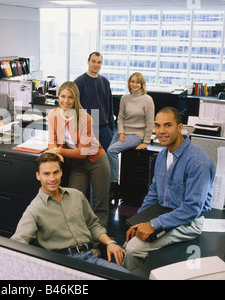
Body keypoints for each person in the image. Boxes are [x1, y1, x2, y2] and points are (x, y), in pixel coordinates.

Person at [123, 107, 215, 271]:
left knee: (133, 248)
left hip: (188, 220)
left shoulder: (198, 162)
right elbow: (153, 194)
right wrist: (138, 221)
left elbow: (192, 208)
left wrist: (154, 224)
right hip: (163, 212)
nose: (161, 131)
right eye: (157, 126)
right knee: (128, 240)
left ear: (180, 128)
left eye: (167, 125)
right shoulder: (162, 156)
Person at [11, 152, 129, 273]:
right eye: (46, 174)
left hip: (91, 257)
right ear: (38, 176)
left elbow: (93, 225)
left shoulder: (77, 195)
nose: (52, 178)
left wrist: (110, 243)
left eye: (55, 172)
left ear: (61, 172)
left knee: (127, 276)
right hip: (62, 265)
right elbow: (17, 243)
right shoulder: (34, 209)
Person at [45, 81, 110, 229]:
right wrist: (55, 152)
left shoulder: (84, 117)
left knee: (100, 203)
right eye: (63, 96)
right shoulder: (53, 114)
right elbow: (52, 141)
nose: (66, 101)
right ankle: (78, 235)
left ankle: (98, 240)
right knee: (73, 201)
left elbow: (83, 152)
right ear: (58, 96)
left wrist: (58, 151)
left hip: (96, 161)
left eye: (70, 97)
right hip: (77, 164)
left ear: (76, 99)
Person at [106, 72, 155, 203]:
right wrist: (120, 132)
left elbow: (150, 122)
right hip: (124, 131)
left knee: (111, 151)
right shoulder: (125, 98)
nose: (134, 84)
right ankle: (112, 184)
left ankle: (115, 186)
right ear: (129, 83)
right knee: (108, 153)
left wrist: (146, 141)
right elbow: (120, 117)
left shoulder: (147, 99)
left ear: (142, 84)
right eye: (132, 81)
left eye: (137, 82)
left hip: (137, 134)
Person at [74, 52, 114, 151]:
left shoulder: (105, 81)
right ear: (88, 62)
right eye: (93, 61)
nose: (96, 65)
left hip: (104, 129)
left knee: (106, 159)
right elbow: (74, 107)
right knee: (88, 159)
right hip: (87, 129)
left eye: (99, 62)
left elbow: (109, 105)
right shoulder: (79, 82)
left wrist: (111, 127)